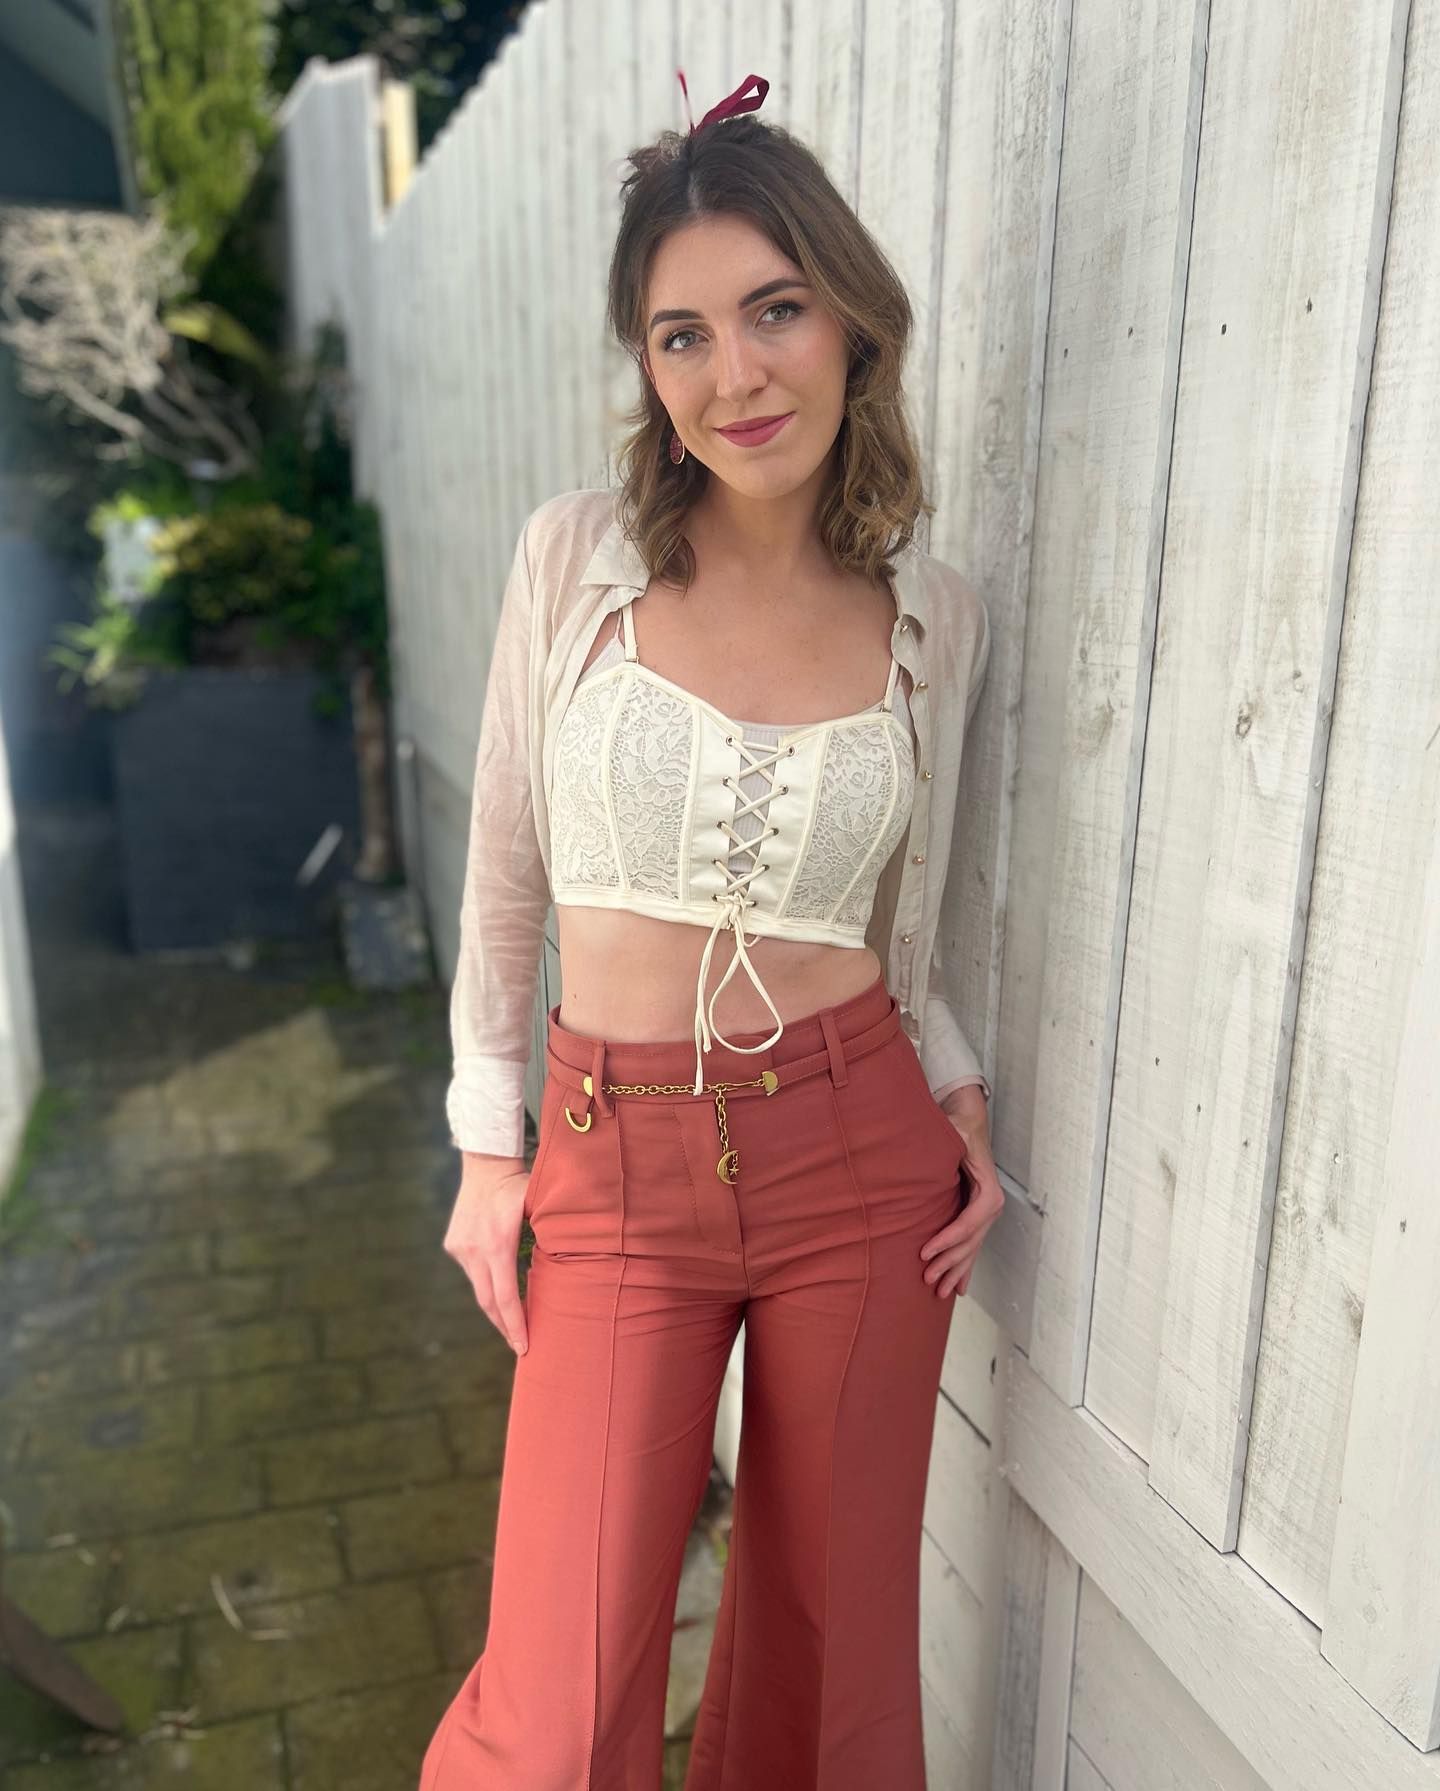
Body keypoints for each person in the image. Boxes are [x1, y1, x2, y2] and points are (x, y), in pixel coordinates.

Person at [419, 71, 1004, 1791]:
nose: (736, 373)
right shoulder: (575, 566)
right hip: (613, 1165)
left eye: (775, 310)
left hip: (861, 1163)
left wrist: (955, 1097)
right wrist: (487, 1151)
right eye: (683, 335)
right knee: (555, 1703)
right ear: (649, 368)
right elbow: (502, 878)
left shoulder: (933, 617)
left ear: (853, 323)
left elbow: (914, 918)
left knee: (831, 1675)